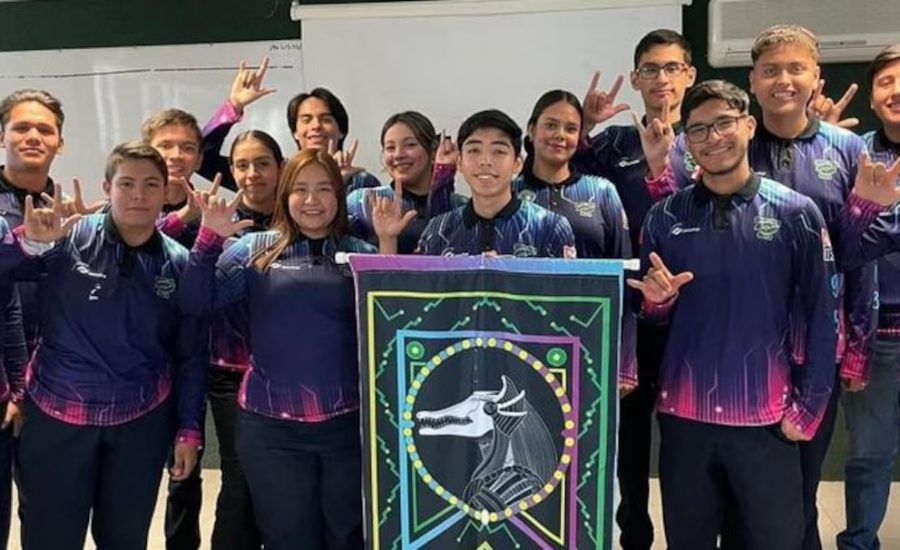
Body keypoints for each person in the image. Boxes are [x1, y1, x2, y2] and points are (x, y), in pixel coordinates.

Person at [628, 79, 837, 550]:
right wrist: (657, 302)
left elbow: (824, 317)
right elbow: (649, 319)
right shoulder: (664, 217)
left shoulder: (796, 213)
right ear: (686, 141)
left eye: (724, 123)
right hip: (684, 420)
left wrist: (809, 409)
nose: (713, 137)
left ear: (749, 125)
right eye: (698, 129)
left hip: (767, 419)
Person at [1, 142, 206, 549]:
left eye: (151, 185)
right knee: (49, 537)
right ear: (107, 187)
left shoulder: (180, 262)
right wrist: (29, 243)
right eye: (126, 183)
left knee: (125, 539)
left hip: (140, 421)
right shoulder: (67, 236)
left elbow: (192, 354)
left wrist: (189, 428)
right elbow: (7, 275)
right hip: (57, 416)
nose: (138, 195)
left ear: (165, 193)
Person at [180, 148, 375, 550]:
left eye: (324, 189)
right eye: (300, 189)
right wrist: (208, 240)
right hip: (271, 428)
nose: (312, 200)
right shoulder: (255, 250)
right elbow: (194, 304)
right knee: (287, 538)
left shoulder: (362, 256)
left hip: (349, 426)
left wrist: (388, 243)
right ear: (285, 195)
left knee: (348, 536)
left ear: (339, 196)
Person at [571, 29, 696, 550]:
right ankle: (635, 534)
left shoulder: (709, 135)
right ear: (637, 78)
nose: (661, 78)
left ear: (689, 75)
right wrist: (585, 126)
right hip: (628, 312)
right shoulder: (613, 144)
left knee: (690, 432)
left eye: (671, 67)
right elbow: (561, 177)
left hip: (695, 312)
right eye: (650, 69)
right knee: (631, 434)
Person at [512, 89, 637, 391]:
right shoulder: (509, 193)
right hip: (522, 340)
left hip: (592, 340)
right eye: (550, 125)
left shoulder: (602, 192)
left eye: (570, 128)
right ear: (531, 130)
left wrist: (625, 363)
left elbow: (626, 277)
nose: (560, 135)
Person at [828, 44, 900, 550]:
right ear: (873, 98)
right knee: (870, 454)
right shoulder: (854, 156)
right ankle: (858, 544)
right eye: (887, 81)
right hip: (878, 335)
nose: (897, 91)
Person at [203, 129, 284, 549]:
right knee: (240, 480)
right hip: (231, 373)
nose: (252, 173)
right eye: (242, 165)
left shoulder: (303, 218)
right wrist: (230, 109)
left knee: (283, 483)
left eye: (263, 163)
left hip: (287, 374)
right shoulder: (218, 222)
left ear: (281, 168)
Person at [374, 109, 576, 258]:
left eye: (499, 151)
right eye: (474, 150)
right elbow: (418, 296)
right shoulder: (438, 230)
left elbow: (569, 297)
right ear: (459, 162)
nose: (485, 161)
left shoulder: (550, 227)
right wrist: (387, 240)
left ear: (517, 163)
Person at [200, 57, 380, 194]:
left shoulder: (361, 183)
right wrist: (234, 106)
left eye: (325, 119)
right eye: (306, 119)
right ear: (295, 132)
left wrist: (338, 182)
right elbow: (202, 159)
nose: (316, 126)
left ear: (341, 130)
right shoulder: (274, 175)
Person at [347, 111, 463, 253]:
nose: (398, 155)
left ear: (433, 150)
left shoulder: (460, 207)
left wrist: (443, 176)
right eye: (390, 148)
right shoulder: (362, 202)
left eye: (410, 145)